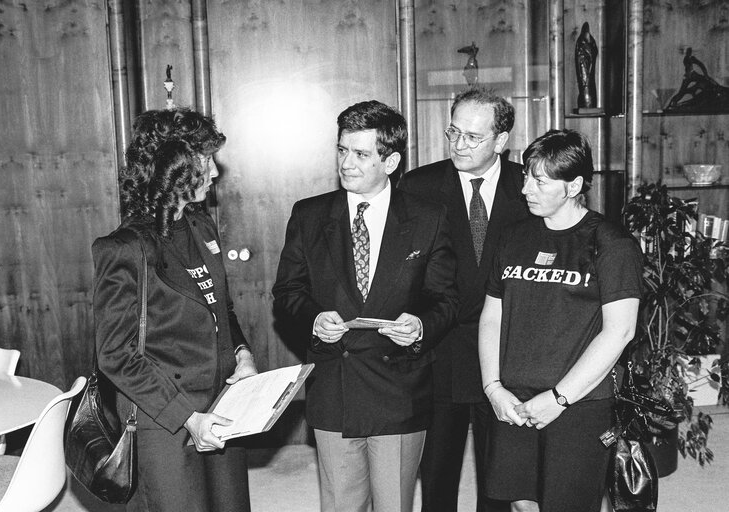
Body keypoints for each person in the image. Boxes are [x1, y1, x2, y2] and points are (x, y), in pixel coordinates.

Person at [272, 100, 458, 512]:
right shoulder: (308, 215)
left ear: (390, 161)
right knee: (341, 506)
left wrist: (421, 326)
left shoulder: (428, 218)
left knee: (394, 505)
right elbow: (287, 293)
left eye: (360, 154)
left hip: (398, 389)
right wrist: (313, 319)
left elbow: (445, 299)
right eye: (342, 150)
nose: (346, 163)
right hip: (334, 387)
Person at [93, 108, 258, 512]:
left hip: (220, 405)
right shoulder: (124, 248)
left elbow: (223, 310)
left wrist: (242, 354)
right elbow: (115, 355)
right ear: (176, 167)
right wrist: (188, 417)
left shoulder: (202, 227)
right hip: (162, 418)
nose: (215, 172)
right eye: (206, 160)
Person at [478, 129, 643, 512]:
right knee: (521, 502)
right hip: (512, 400)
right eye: (526, 177)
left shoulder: (611, 243)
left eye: (540, 181)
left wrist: (559, 398)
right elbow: (491, 314)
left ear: (574, 186)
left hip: (578, 403)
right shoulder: (513, 236)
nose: (526, 190)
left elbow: (620, 331)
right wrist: (492, 387)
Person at [399, 87, 529, 512]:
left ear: (502, 140)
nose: (459, 144)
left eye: (473, 136)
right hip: (439, 350)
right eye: (453, 132)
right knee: (437, 472)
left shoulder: (529, 188)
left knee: (500, 475)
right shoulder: (418, 186)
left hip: (506, 351)